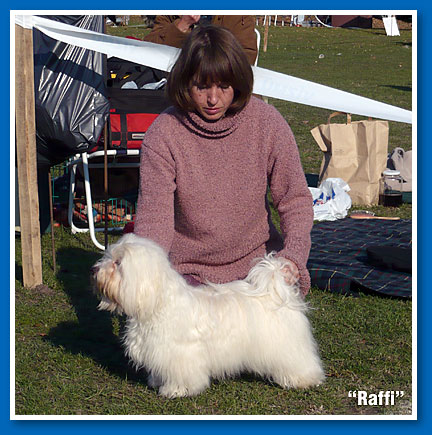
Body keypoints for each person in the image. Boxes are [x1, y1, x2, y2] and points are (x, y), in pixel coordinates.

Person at [134, 25, 314, 297]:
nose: (213, 98)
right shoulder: (164, 133)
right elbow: (154, 219)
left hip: (258, 269)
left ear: (238, 83)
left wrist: (292, 257)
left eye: (224, 86)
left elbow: (295, 199)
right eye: (202, 86)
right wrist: (146, 277)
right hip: (190, 273)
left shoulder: (267, 123)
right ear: (185, 82)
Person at [143, 15, 258, 65]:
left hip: (226, 91)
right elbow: (147, 50)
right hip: (176, 90)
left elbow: (246, 58)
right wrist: (183, 25)